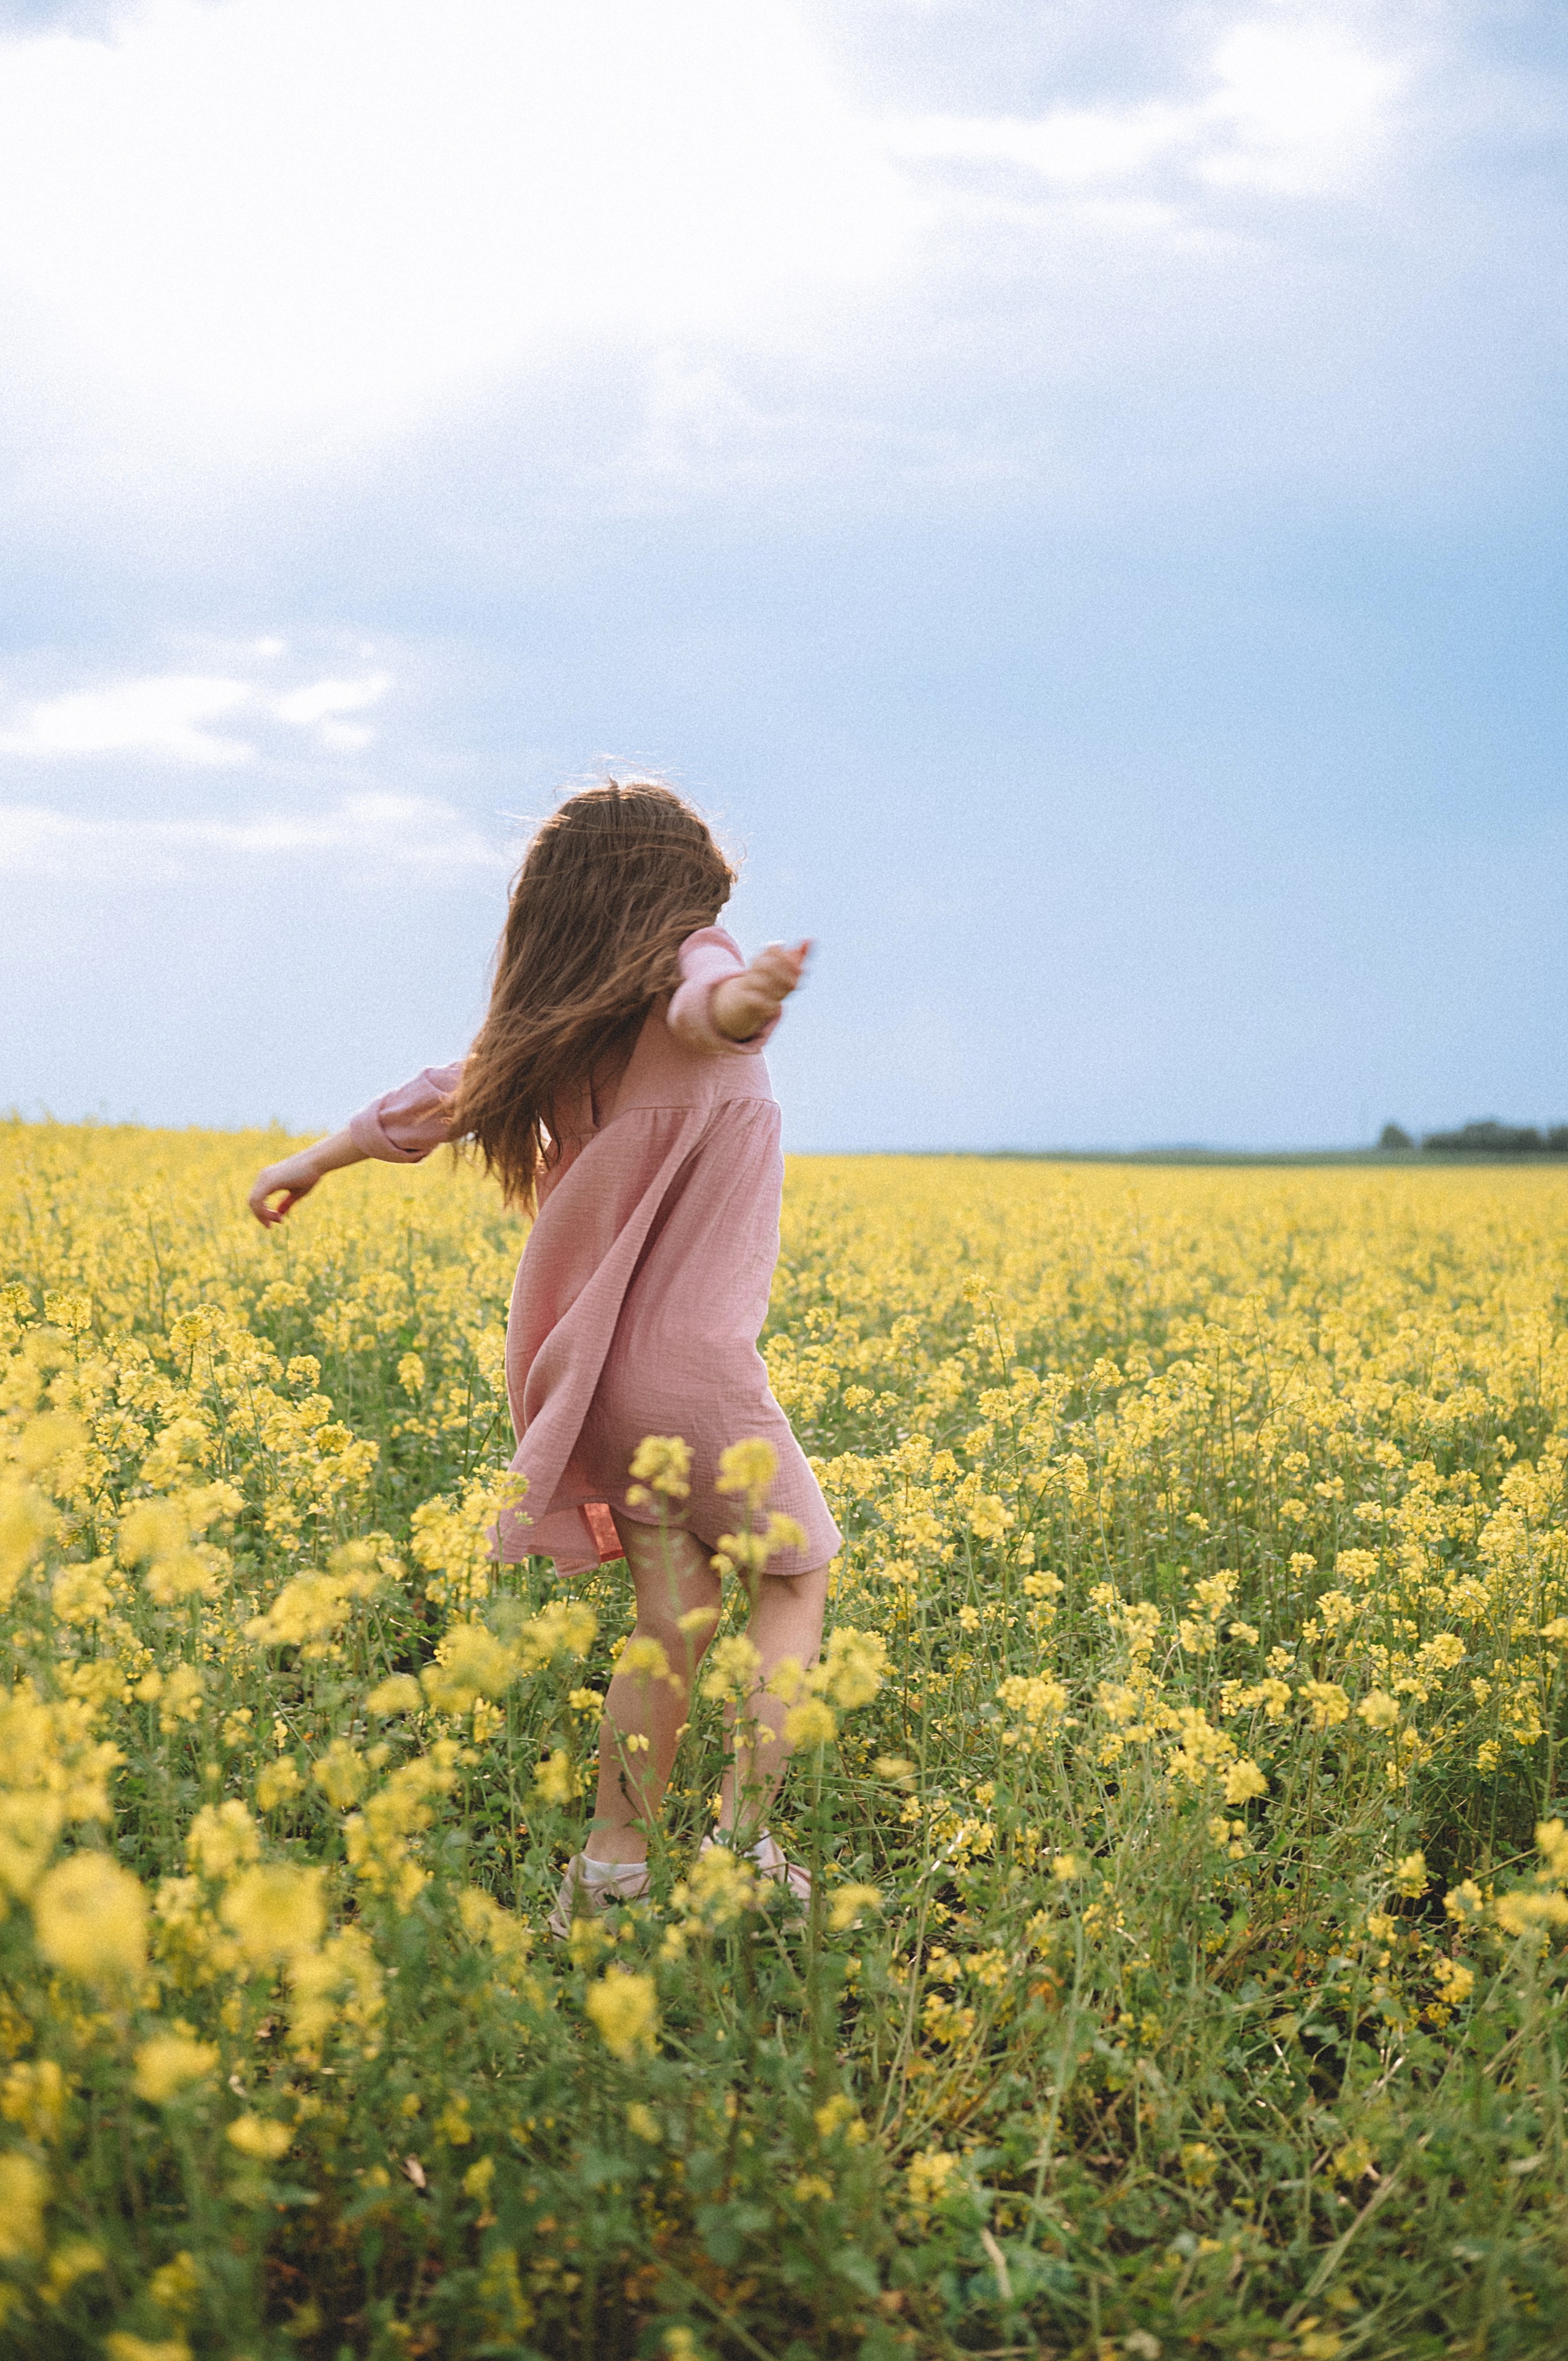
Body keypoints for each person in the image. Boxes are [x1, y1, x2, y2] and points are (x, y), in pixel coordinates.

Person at [247, 780, 840, 1936]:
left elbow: (444, 1096)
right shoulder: (696, 972)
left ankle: (611, 1871)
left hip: (599, 1376)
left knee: (675, 1613)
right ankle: (739, 1850)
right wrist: (748, 996)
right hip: (694, 1373)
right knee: (794, 1579)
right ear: (661, 900)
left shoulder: (561, 1037)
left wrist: (311, 1161)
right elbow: (709, 1003)